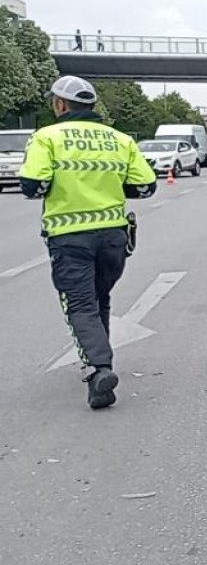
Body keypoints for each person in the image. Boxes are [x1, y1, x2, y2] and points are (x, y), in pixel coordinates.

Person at [18, 76, 157, 409]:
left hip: (69, 237)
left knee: (80, 305)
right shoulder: (120, 139)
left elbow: (32, 186)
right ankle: (100, 357)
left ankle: (99, 369)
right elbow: (145, 186)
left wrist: (60, 185)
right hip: (114, 236)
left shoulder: (46, 137)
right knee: (99, 298)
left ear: (60, 105)